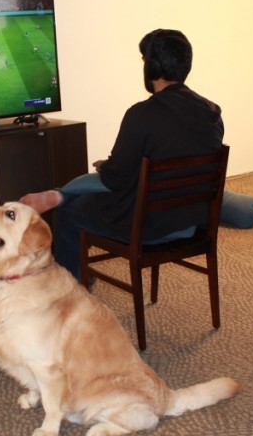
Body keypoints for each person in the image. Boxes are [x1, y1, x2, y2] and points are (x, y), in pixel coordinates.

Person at [21, 29, 224, 280]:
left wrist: (108, 167)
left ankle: (71, 287)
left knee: (72, 211)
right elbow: (173, 156)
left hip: (151, 226)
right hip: (192, 223)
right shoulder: (212, 112)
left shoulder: (142, 114)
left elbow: (115, 180)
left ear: (152, 68)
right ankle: (75, 256)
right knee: (92, 195)